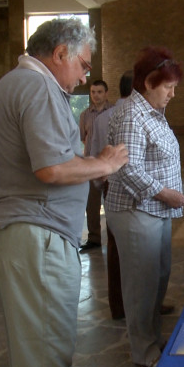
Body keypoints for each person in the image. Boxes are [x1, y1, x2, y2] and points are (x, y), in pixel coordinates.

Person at [0, 18, 128, 367]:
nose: (84, 77)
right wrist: (102, 164)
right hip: (34, 233)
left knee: (46, 348)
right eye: (83, 64)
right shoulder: (35, 85)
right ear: (60, 53)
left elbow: (55, 160)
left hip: (33, 233)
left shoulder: (26, 84)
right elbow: (51, 168)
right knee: (44, 352)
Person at [104, 46, 184, 367]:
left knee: (158, 276)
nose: (173, 93)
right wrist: (164, 192)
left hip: (154, 210)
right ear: (150, 82)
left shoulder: (151, 112)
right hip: (136, 211)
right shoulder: (132, 115)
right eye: (168, 86)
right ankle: (143, 350)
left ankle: (152, 338)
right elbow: (125, 169)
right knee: (141, 284)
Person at [89, 72, 132, 320]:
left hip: (111, 184)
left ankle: (119, 306)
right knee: (142, 248)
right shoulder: (130, 116)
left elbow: (95, 155)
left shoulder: (103, 118)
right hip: (125, 187)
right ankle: (142, 304)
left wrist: (101, 184)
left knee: (116, 247)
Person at [79, 79, 114, 251]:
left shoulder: (114, 113)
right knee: (91, 204)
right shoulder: (85, 115)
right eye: (93, 92)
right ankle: (94, 238)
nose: (96, 95)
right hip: (91, 165)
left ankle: (114, 237)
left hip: (108, 166)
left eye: (99, 92)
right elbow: (82, 138)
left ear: (106, 93)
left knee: (111, 203)